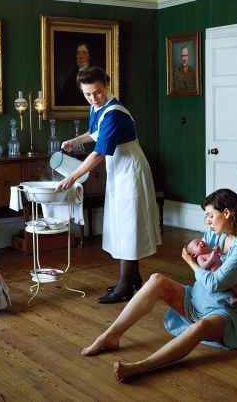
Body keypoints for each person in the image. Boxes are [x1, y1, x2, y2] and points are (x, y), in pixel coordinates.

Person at [82, 189, 237, 382]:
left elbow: (214, 283)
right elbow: (200, 259)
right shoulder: (214, 234)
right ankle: (111, 335)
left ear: (226, 213)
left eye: (211, 215)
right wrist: (196, 258)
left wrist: (191, 263)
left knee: (201, 326)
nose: (208, 222)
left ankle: (140, 366)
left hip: (227, 314)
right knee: (156, 279)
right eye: (206, 217)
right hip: (196, 302)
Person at [57, 66, 161, 304]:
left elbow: (99, 153)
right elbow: (95, 132)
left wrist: (72, 177)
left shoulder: (115, 112)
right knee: (124, 222)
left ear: (106, 85)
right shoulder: (98, 107)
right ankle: (133, 277)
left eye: (97, 92)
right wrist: (75, 141)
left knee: (128, 224)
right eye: (87, 94)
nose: (93, 98)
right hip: (119, 167)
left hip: (130, 169)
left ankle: (124, 285)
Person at [185, 238, 237, 306]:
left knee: (232, 281)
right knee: (225, 290)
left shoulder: (211, 252)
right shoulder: (200, 257)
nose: (201, 243)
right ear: (194, 255)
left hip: (223, 271)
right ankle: (232, 299)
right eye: (197, 244)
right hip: (216, 275)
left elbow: (223, 257)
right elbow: (203, 267)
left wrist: (219, 252)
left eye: (201, 241)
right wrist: (211, 258)